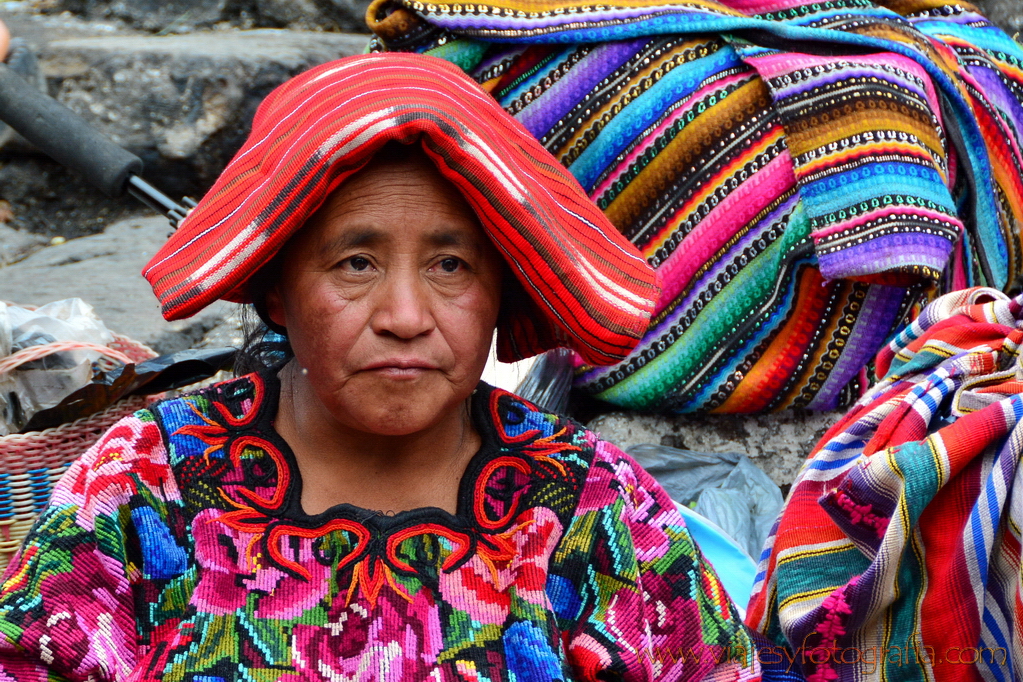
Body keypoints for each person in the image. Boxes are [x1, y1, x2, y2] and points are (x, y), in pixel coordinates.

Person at [0, 53, 764, 681]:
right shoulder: (148, 479)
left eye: (451, 266)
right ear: (274, 287)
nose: (405, 315)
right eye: (356, 262)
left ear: (502, 289)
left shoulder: (586, 505)